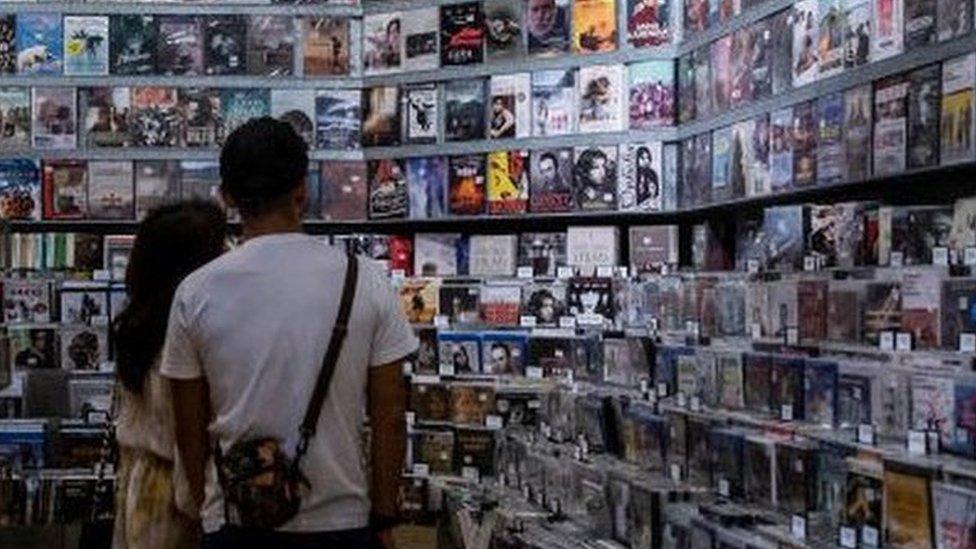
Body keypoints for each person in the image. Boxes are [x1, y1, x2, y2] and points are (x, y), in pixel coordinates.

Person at [162, 118, 417, 548]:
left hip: (238, 519)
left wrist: (206, 509)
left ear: (226, 197)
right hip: (344, 521)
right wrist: (385, 515)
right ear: (303, 189)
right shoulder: (366, 281)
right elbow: (390, 418)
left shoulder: (195, 292)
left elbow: (188, 426)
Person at [113, 200, 227, 549]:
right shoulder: (180, 337)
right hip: (177, 496)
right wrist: (208, 511)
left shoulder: (140, 325)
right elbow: (184, 434)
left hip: (141, 481)